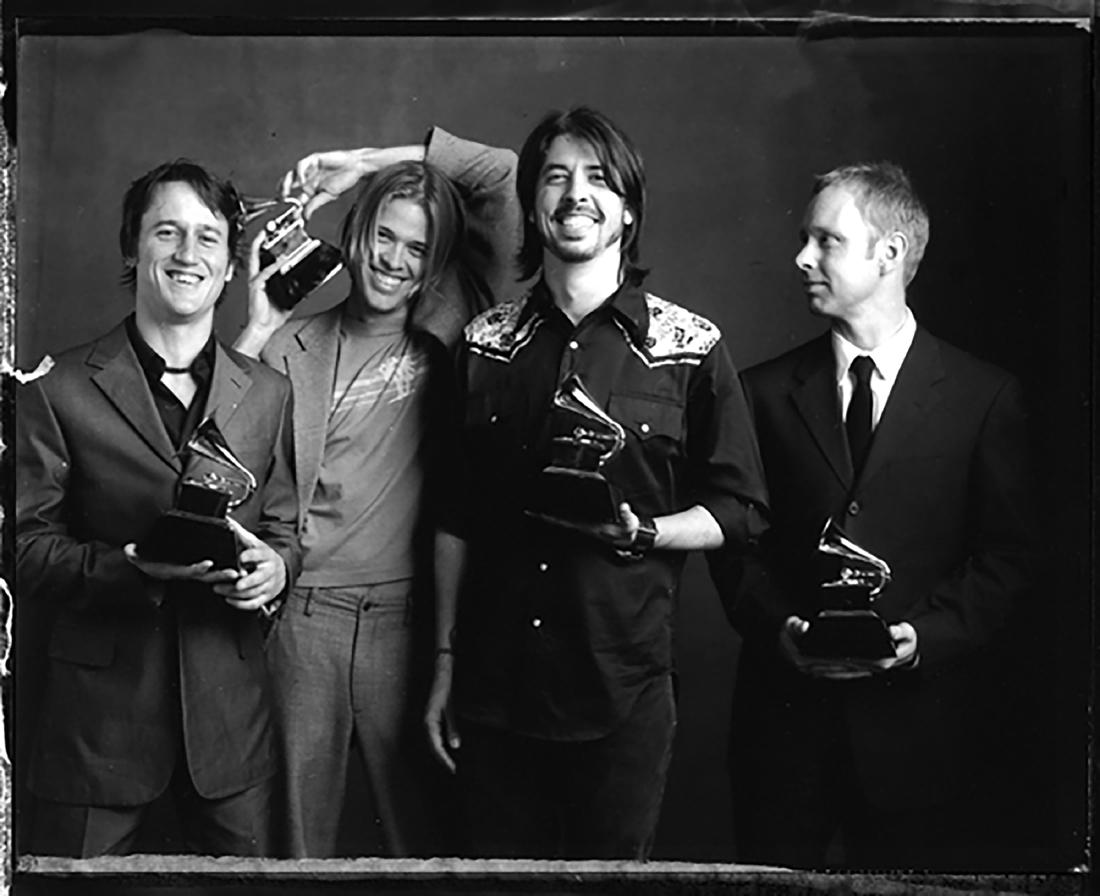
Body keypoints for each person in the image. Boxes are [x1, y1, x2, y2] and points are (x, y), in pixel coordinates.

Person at [425, 106, 768, 860]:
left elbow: (740, 512)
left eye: (597, 179)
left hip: (623, 694)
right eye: (555, 177)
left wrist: (646, 532)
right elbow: (454, 520)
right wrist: (444, 666)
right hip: (493, 690)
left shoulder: (692, 347)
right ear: (531, 206)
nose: (575, 194)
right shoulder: (484, 346)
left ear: (628, 209)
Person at [712, 162, 1032, 869]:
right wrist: (780, 630)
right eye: (805, 238)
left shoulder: (985, 397)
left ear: (889, 255)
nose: (801, 257)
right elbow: (737, 547)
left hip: (919, 741)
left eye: (826, 240)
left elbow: (1005, 563)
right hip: (782, 735)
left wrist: (919, 637)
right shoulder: (758, 392)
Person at [234, 127, 520, 858]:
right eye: (383, 237)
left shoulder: (456, 324)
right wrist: (255, 328)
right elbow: (216, 452)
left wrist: (360, 163)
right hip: (300, 622)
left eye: (416, 248)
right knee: (296, 845)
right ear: (356, 236)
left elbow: (500, 172)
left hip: (408, 622)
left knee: (424, 843)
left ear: (434, 264)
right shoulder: (289, 344)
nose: (393, 260)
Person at [15, 160, 301, 857]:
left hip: (231, 735)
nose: (187, 253)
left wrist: (277, 570)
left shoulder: (268, 394)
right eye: (166, 232)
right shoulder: (58, 391)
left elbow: (284, 529)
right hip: (95, 738)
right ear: (131, 248)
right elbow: (22, 548)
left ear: (233, 265)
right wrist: (131, 567)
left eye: (208, 237)